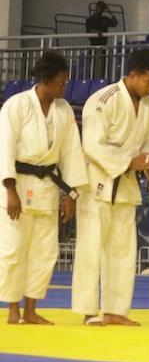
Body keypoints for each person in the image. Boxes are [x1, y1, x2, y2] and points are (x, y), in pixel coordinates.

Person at [72, 48, 149, 327]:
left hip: (125, 187)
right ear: (133, 75)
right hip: (97, 183)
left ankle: (115, 310)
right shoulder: (102, 100)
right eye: (148, 81)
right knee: (91, 248)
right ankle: (89, 311)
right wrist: (129, 161)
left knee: (123, 251)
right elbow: (93, 145)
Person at [0, 51, 88, 325]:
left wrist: (71, 194)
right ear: (46, 80)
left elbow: (72, 154)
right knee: (14, 248)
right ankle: (13, 309)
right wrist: (10, 190)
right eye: (61, 81)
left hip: (47, 188)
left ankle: (31, 309)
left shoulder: (64, 112)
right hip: (18, 184)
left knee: (44, 251)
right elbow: (5, 147)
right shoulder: (17, 105)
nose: (65, 86)